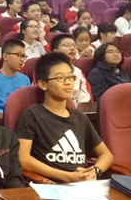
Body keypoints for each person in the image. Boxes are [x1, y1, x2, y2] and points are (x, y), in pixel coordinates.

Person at [15, 52, 113, 183]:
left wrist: (95, 170)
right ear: (43, 84)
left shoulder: (79, 117)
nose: (68, 82)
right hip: (51, 185)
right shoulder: (32, 115)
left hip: (83, 185)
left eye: (71, 77)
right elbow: (23, 159)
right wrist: (67, 176)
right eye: (60, 78)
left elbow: (106, 155)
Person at [0, 38, 30, 117]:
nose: (22, 60)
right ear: (5, 56)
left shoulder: (25, 79)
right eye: (18, 55)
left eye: (23, 56)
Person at [50, 34, 92, 105]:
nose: (72, 48)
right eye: (66, 45)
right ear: (56, 51)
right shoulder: (45, 70)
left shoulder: (78, 71)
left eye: (74, 46)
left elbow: (85, 98)